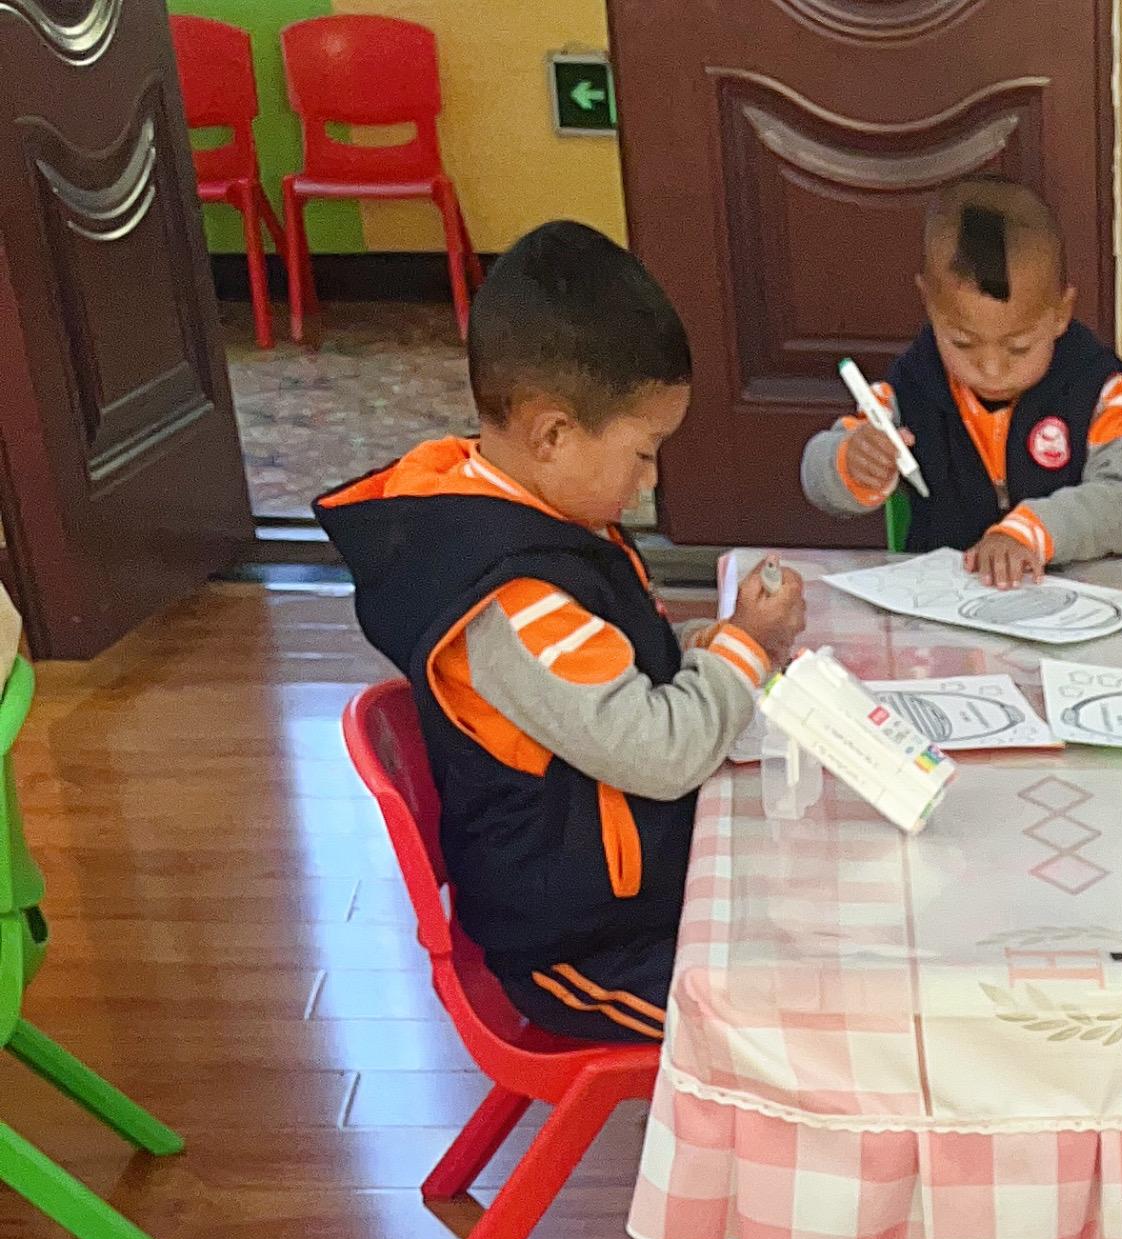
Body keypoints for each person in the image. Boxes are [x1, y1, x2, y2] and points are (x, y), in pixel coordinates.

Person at [319, 221, 806, 1050]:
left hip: (635, 890)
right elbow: (658, 751)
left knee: (819, 918)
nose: (652, 480)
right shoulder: (512, 597)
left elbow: (610, 664)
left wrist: (708, 643)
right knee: (799, 1024)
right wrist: (743, 651)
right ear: (551, 435)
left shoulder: (535, 516)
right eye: (644, 453)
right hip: (582, 952)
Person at [800, 177, 1122, 577]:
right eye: (963, 343)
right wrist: (851, 463)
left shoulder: (1103, 391)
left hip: (1087, 600)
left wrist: (1030, 533)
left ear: (1061, 312)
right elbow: (816, 475)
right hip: (946, 604)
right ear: (929, 304)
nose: (991, 369)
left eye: (1019, 347)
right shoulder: (910, 385)